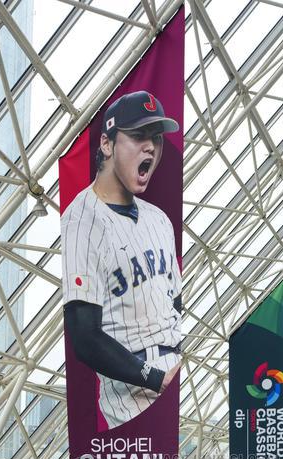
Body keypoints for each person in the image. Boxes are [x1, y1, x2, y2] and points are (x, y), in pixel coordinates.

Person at [60, 91, 182, 430]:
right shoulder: (81, 219)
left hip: (173, 382)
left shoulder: (159, 219)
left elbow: (176, 303)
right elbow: (84, 336)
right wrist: (156, 378)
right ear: (107, 144)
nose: (151, 147)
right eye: (139, 135)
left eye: (156, 138)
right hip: (130, 397)